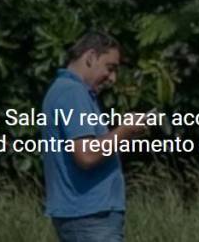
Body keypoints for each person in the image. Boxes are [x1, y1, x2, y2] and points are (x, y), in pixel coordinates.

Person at [42, 31, 145, 242]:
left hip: (85, 215)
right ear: (90, 57)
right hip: (89, 216)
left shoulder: (65, 91)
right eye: (110, 68)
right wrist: (124, 131)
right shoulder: (72, 93)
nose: (113, 78)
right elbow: (87, 155)